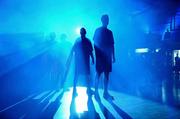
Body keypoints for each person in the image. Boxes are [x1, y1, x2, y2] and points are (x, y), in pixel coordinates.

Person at [93, 14, 115, 100]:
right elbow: (95, 43)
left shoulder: (109, 32)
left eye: (108, 19)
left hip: (106, 56)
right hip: (102, 56)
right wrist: (97, 54)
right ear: (103, 20)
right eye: (106, 19)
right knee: (99, 74)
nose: (108, 21)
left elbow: (112, 45)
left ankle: (105, 92)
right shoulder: (99, 30)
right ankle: (97, 91)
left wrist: (113, 56)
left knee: (106, 74)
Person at [68, 27, 94, 96]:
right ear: (85, 33)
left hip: (79, 61)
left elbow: (72, 50)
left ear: (80, 33)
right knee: (86, 75)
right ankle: (88, 90)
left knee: (77, 75)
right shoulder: (87, 41)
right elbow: (90, 51)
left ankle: (74, 90)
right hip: (85, 61)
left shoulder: (77, 40)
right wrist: (93, 59)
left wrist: (69, 59)